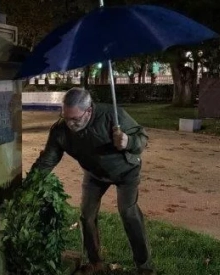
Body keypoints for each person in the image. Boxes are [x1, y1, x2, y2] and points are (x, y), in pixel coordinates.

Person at [30, 87, 155, 275]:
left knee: (128, 213)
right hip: (94, 174)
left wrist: (127, 141)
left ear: (89, 111)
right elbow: (48, 160)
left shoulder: (112, 115)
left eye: (75, 119)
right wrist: (30, 184)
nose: (70, 124)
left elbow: (142, 138)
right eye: (66, 118)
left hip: (125, 171)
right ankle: (95, 262)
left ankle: (144, 266)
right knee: (86, 215)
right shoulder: (60, 130)